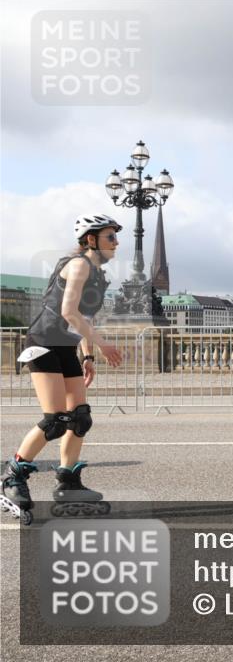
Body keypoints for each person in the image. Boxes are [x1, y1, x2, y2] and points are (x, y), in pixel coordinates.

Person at [0, 214, 124, 522]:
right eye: (110, 237)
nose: (116, 242)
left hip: (66, 346)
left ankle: (68, 481)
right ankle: (12, 476)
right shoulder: (79, 265)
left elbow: (85, 318)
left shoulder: (97, 274)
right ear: (91, 240)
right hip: (43, 343)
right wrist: (103, 344)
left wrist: (88, 356)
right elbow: (69, 312)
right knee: (55, 420)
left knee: (80, 417)